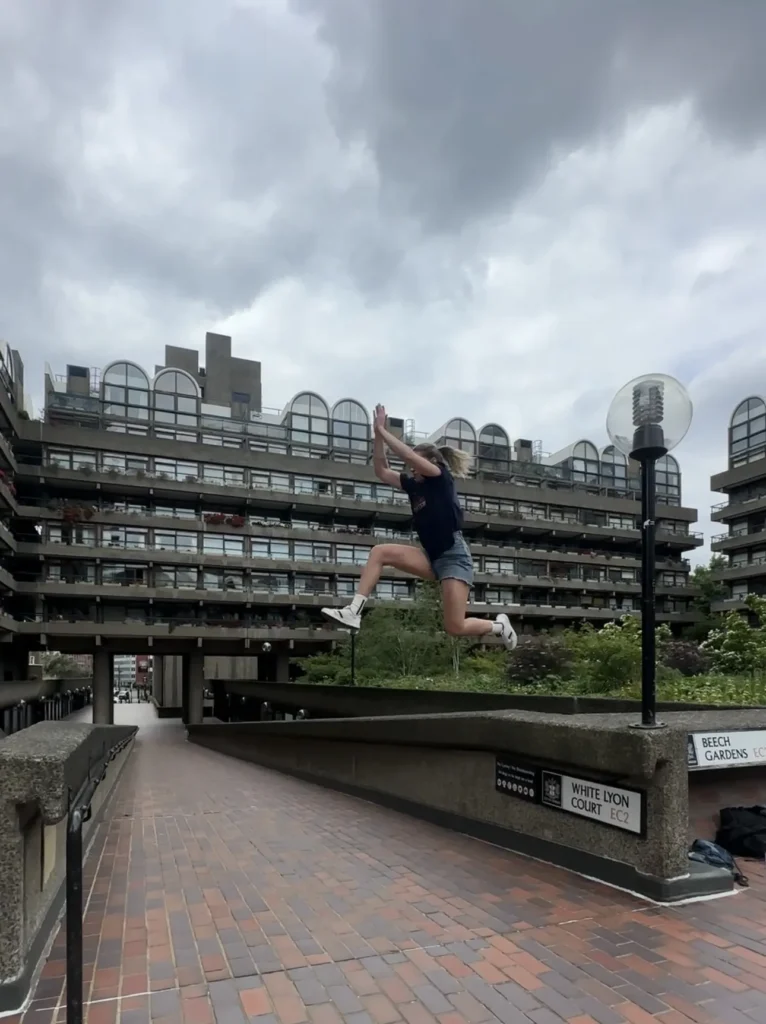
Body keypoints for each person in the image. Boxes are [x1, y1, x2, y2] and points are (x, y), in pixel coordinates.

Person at [322, 404, 518, 649]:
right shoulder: (414, 485)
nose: (411, 469)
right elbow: (382, 470)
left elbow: (408, 456)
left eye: (416, 464)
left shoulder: (440, 478)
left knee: (454, 627)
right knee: (379, 552)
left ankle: (499, 627)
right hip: (430, 556)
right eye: (410, 468)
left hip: (454, 557)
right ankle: (354, 611)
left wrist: (383, 431)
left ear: (432, 462)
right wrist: (377, 435)